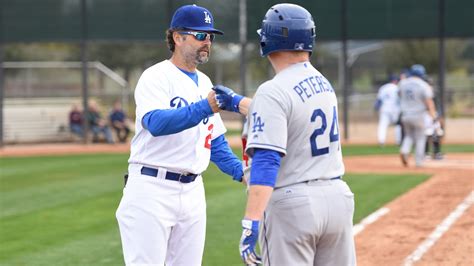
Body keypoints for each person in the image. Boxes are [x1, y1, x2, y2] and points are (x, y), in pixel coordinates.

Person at [213, 3, 356, 265]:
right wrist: (236, 102)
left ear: (268, 40)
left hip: (294, 206)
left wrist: (251, 221)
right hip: (337, 199)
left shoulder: (272, 90)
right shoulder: (323, 83)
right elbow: (286, 113)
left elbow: (267, 160)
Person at [115, 4, 245, 266]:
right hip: (152, 188)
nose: (207, 41)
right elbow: (155, 123)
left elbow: (215, 142)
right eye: (200, 35)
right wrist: (203, 107)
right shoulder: (156, 77)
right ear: (177, 37)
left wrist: (241, 172)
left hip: (193, 192)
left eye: (210, 36)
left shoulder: (206, 82)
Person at [398, 64, 437, 167]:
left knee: (409, 135)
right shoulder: (423, 85)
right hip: (419, 114)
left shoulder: (403, 83)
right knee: (420, 138)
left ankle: (404, 150)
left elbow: (399, 95)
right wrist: (433, 116)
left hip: (405, 114)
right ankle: (419, 162)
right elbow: (429, 102)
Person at [374, 75, 402, 146]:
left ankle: (381, 141)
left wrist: (376, 108)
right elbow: (400, 100)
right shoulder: (397, 88)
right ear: (395, 81)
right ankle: (398, 141)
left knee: (382, 125)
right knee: (397, 125)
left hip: (384, 108)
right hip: (395, 109)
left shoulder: (383, 87)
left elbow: (379, 101)